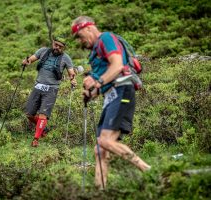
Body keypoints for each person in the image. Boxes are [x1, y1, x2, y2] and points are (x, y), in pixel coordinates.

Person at [71, 16, 151, 189]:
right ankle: (100, 190)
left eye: (79, 35)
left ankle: (147, 170)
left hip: (122, 90)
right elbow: (104, 81)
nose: (80, 40)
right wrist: (90, 93)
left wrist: (97, 82)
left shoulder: (105, 38)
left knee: (106, 141)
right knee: (99, 149)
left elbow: (117, 66)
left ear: (88, 27)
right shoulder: (95, 53)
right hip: (111, 95)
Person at [22, 37, 77, 147]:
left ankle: (36, 139)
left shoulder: (66, 58)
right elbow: (31, 59)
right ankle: (43, 128)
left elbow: (71, 73)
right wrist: (26, 62)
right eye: (56, 45)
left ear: (63, 48)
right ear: (53, 43)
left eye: (60, 47)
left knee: (43, 115)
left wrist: (73, 80)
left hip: (51, 89)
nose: (57, 47)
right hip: (38, 86)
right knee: (29, 114)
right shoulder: (43, 51)